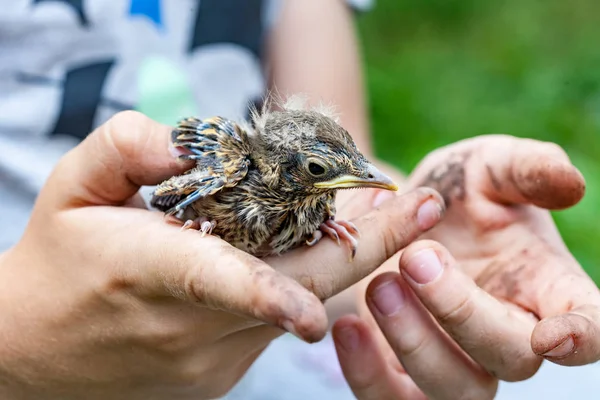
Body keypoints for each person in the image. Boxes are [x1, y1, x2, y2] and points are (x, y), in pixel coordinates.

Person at [0, 1, 598, 400]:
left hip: (262, 341)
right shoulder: (231, 177)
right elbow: (175, 200)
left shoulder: (308, 190)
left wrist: (416, 227)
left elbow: (336, 152)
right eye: (313, 173)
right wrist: (23, 347)